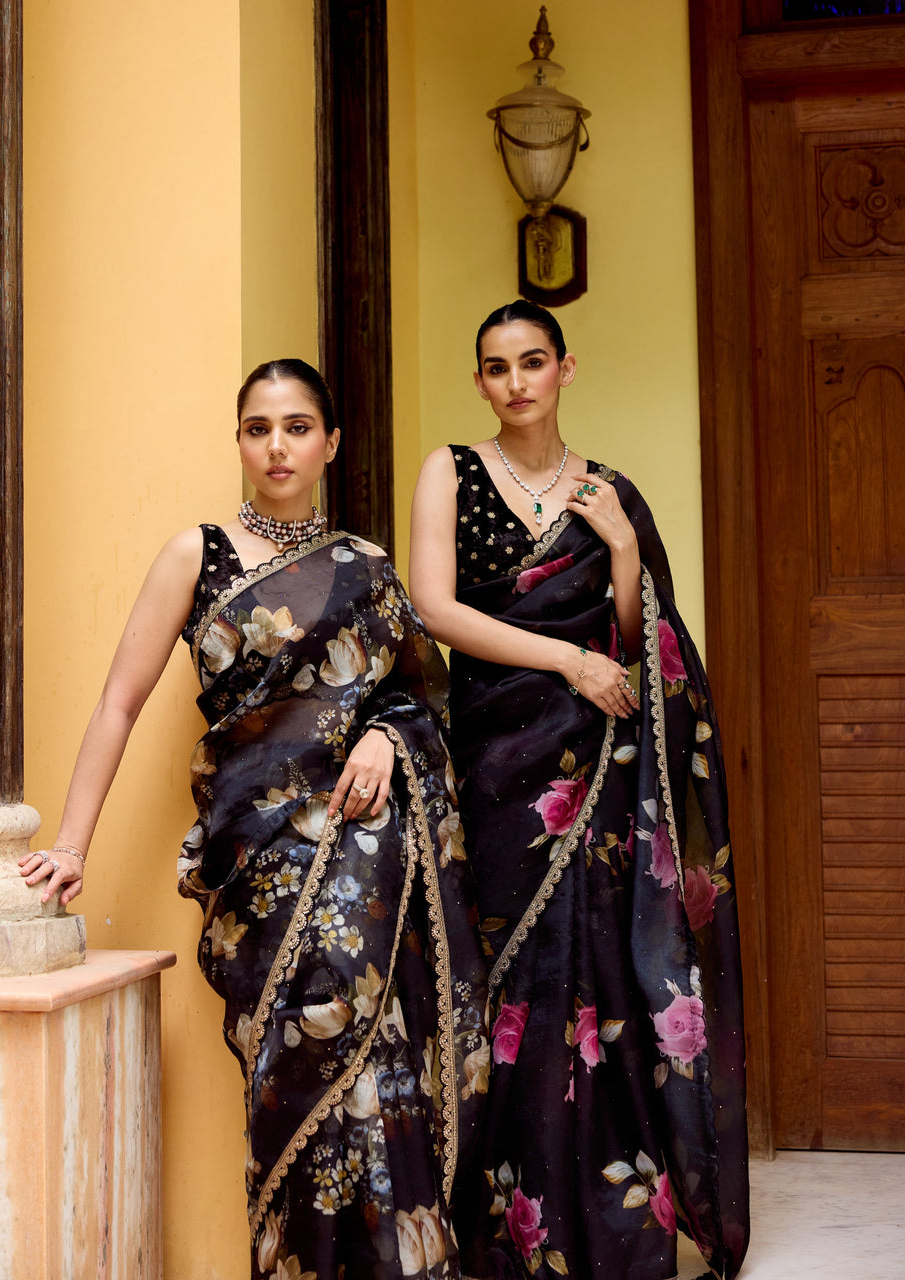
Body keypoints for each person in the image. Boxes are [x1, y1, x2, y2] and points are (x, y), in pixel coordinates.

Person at [20, 358, 489, 1280]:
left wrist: (388, 741)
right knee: (295, 1066)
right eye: (258, 427)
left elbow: (421, 700)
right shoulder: (198, 554)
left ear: (331, 443)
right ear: (238, 439)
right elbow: (119, 702)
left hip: (367, 854)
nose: (277, 446)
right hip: (258, 861)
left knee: (375, 1045)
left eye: (298, 426)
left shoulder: (367, 568)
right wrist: (71, 844)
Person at [409, 302, 749, 1280]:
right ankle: (509, 1223)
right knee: (510, 976)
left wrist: (626, 551)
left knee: (600, 972)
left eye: (531, 361)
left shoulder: (611, 491)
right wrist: (564, 657)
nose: (514, 380)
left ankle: (613, 1221)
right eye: (495, 366)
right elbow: (434, 607)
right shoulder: (452, 470)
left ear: (564, 368)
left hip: (597, 769)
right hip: (497, 763)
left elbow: (648, 640)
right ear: (479, 380)